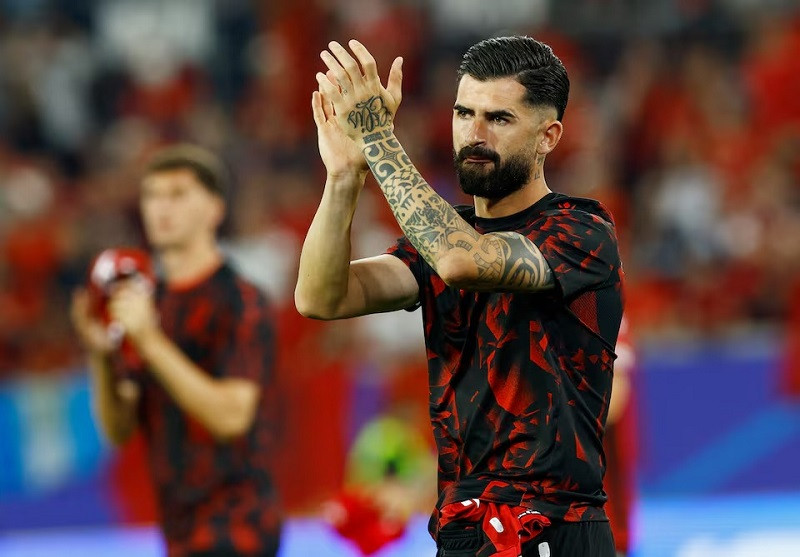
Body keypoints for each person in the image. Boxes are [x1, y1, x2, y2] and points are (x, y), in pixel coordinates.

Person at [296, 36, 624, 557]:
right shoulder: (440, 237)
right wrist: (343, 177)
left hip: (551, 528)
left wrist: (380, 140)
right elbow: (321, 297)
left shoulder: (581, 232)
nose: (474, 134)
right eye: (463, 113)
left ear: (548, 136)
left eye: (498, 119)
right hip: (461, 527)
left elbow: (461, 263)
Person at [71, 145, 282, 557]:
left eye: (178, 194)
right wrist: (100, 357)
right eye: (152, 195)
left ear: (214, 209)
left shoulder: (243, 301)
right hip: (177, 532)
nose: (161, 207)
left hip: (239, 528)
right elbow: (120, 430)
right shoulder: (150, 306)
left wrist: (150, 341)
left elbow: (232, 416)